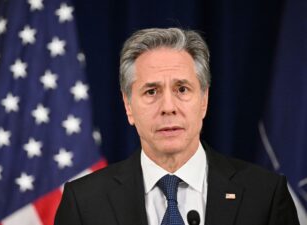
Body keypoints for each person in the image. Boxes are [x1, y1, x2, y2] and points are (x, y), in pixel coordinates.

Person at [54, 27, 299, 225]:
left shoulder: (265, 196)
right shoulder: (84, 203)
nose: (168, 107)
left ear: (203, 101)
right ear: (128, 106)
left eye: (182, 89)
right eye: (151, 91)